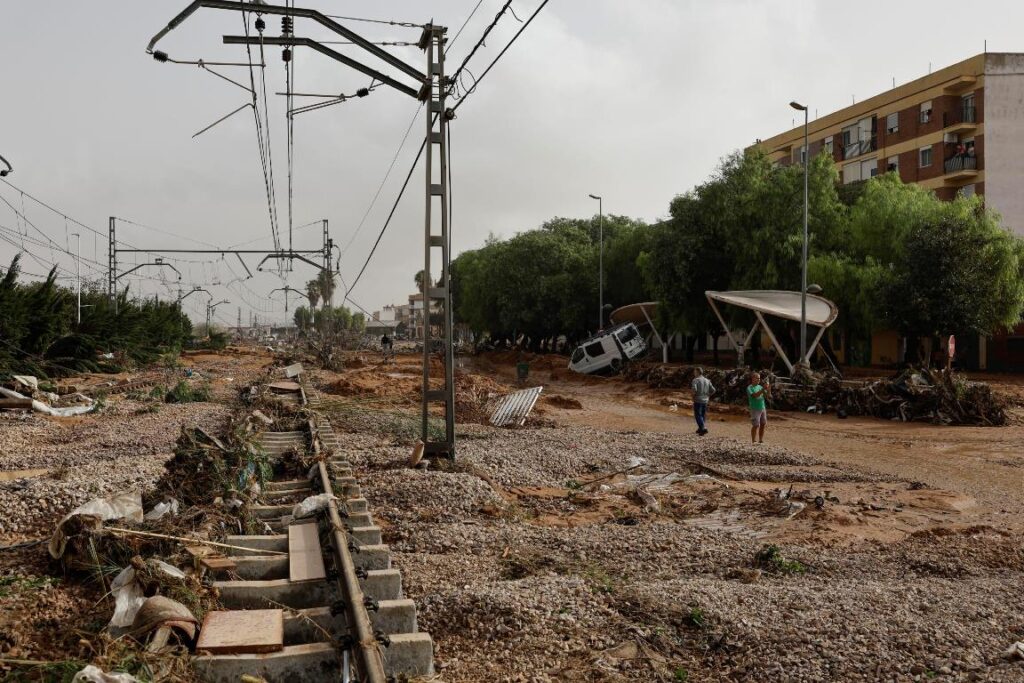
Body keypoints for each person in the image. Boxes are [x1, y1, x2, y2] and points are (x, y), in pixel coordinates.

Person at [747, 372, 771, 444]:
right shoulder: (749, 387)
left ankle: (760, 440)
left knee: (763, 424)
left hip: (762, 407)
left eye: (759, 378)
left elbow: (768, 396)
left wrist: (769, 388)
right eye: (757, 378)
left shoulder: (760, 387)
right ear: (752, 379)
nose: (758, 380)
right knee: (756, 425)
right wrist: (763, 389)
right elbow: (755, 396)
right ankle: (753, 440)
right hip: (754, 408)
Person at [690, 367, 716, 436]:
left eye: (694, 372)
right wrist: (708, 395)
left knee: (698, 415)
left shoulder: (695, 380)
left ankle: (703, 428)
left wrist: (692, 397)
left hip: (698, 400)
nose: (694, 373)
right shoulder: (707, 380)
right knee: (703, 414)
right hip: (705, 400)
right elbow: (713, 390)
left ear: (697, 372)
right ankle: (700, 428)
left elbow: (694, 390)